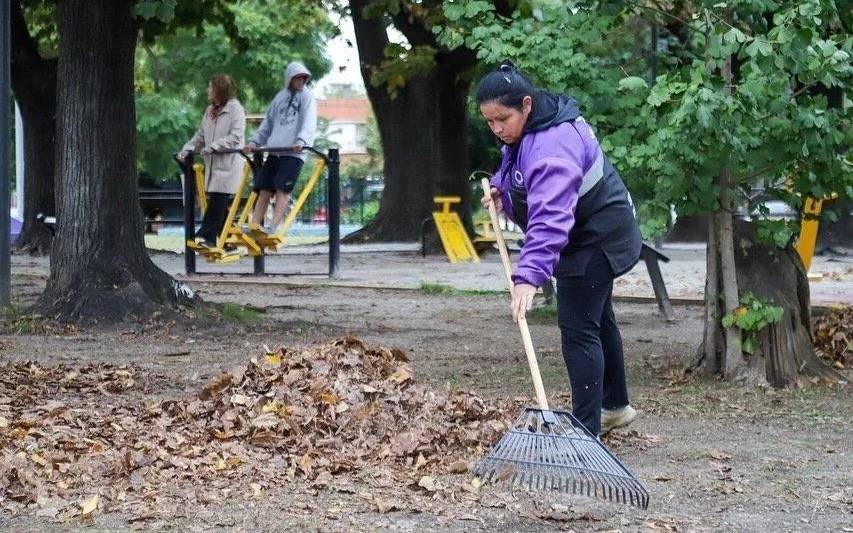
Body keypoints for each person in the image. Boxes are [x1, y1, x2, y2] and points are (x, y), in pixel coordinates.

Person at [478, 62, 642, 437]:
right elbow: (515, 162)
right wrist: (503, 187)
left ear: (526, 104)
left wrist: (527, 277)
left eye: (503, 119)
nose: (498, 129)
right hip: (589, 230)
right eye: (490, 122)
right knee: (598, 318)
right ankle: (614, 407)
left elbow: (550, 220)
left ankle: (587, 431)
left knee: (579, 329)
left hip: (595, 237)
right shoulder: (530, 127)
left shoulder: (553, 145)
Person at [243, 61, 317, 233]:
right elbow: (267, 124)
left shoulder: (308, 97)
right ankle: (255, 225)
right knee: (264, 189)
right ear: (289, 78)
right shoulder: (279, 98)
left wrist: (302, 140)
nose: (300, 81)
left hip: (293, 152)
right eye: (297, 77)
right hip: (275, 151)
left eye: (303, 78)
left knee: (283, 189)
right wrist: (254, 142)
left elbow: (309, 121)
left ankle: (273, 227)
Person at [179, 73, 246, 248]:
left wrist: (214, 146)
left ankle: (206, 236)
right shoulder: (210, 111)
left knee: (218, 200)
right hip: (213, 165)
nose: (208, 90)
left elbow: (236, 137)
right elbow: (200, 136)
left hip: (229, 164)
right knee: (218, 205)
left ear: (219, 90)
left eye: (211, 87)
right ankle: (228, 243)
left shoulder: (235, 109)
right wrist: (187, 148)